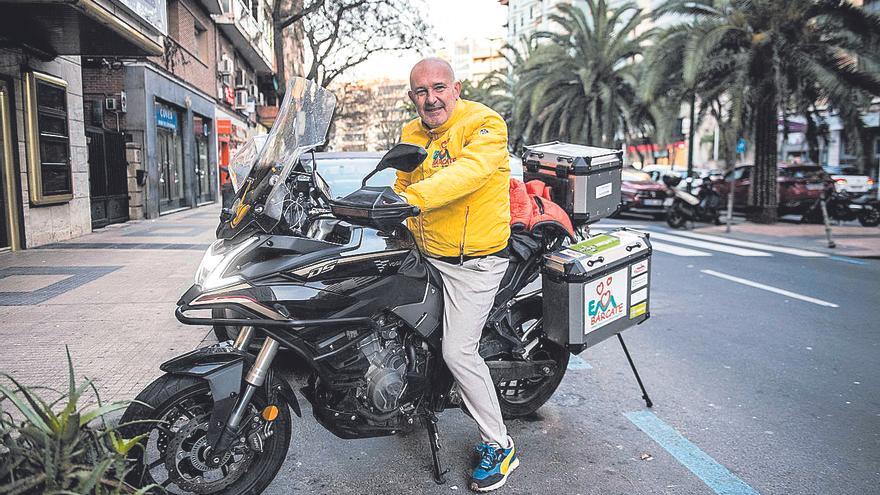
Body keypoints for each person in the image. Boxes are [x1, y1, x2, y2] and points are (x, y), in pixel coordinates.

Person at [392, 58, 516, 493]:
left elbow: (469, 173)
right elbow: (401, 181)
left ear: (456, 88)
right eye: (421, 92)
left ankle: (499, 444)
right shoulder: (411, 132)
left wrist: (411, 200)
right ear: (412, 98)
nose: (431, 99)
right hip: (425, 252)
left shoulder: (485, 123)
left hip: (473, 261)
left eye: (439, 88)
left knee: (458, 352)